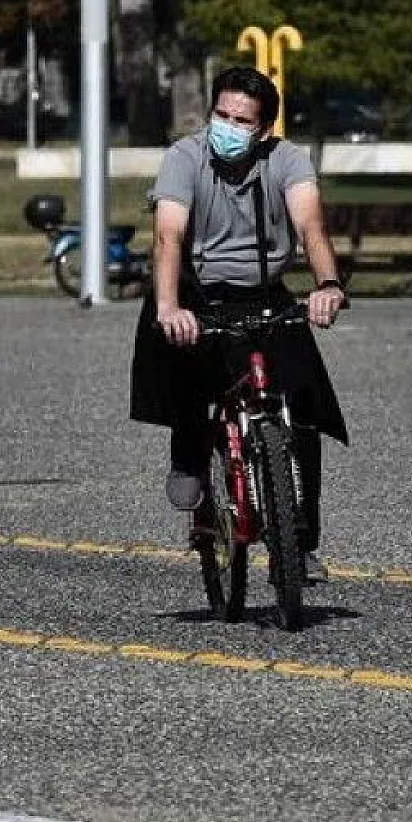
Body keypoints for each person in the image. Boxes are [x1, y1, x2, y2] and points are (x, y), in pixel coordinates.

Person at [129, 65, 347, 582]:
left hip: (264, 291)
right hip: (195, 292)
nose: (227, 125)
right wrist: (168, 307)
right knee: (189, 376)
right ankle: (189, 460)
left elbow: (311, 226)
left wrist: (327, 284)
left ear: (264, 128)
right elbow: (168, 238)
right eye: (221, 114)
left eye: (241, 119)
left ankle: (300, 540)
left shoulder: (288, 160)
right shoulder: (185, 157)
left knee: (305, 405)